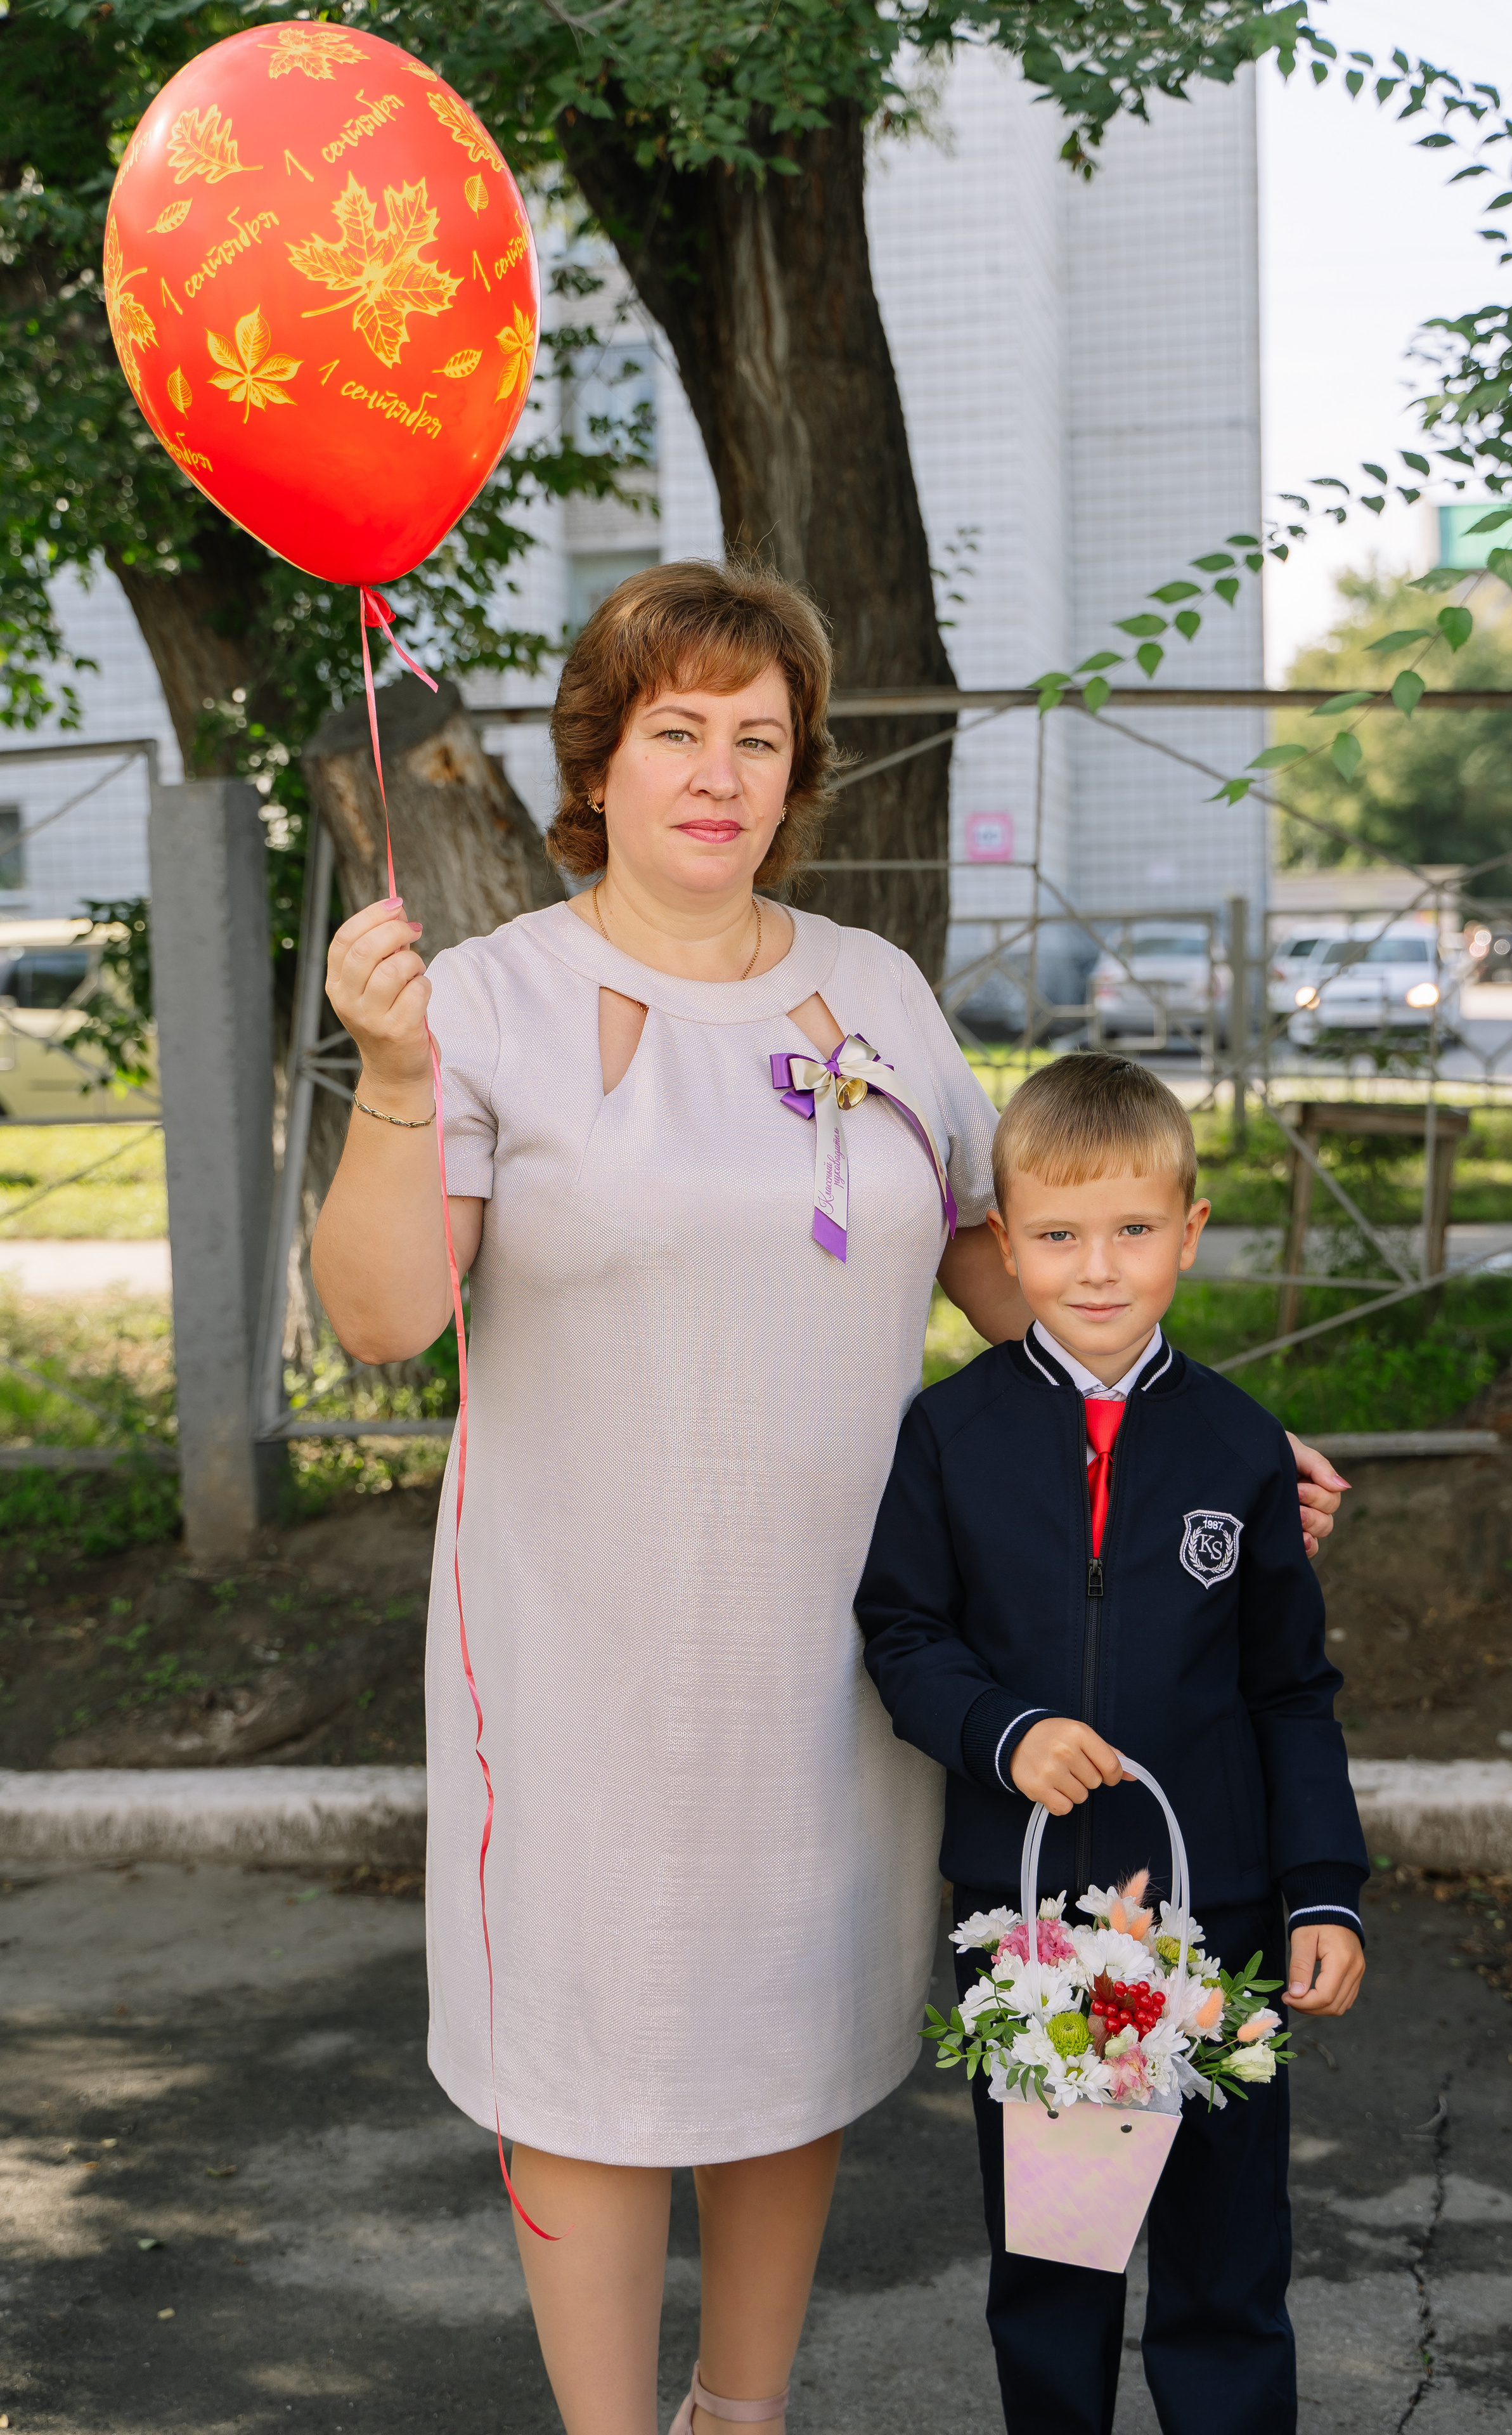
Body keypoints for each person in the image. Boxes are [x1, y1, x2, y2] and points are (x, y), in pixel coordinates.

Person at [311, 561, 1349, 2435]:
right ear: (600, 764)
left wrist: (1201, 1435)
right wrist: (394, 1077)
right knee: (601, 2055)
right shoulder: (489, 999)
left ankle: (745, 2414)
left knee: (787, 2043)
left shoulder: (868, 989)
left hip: (860, 1642)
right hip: (587, 1650)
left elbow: (1008, 1257)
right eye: (677, 733)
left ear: (796, 777)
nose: (719, 774)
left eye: (759, 739)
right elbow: (382, 1317)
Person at [856, 1051, 1367, 2435]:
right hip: (1035, 1933)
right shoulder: (949, 1439)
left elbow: (1288, 1690)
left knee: (1222, 2261)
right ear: (1002, 1245)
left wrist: (1322, 1890)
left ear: (1188, 1234)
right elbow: (899, 1634)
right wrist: (1000, 1733)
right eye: (1059, 1235)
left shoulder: (1239, 1450)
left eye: (1133, 1230)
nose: (1097, 1268)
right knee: (1056, 2265)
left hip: (1220, 1926)